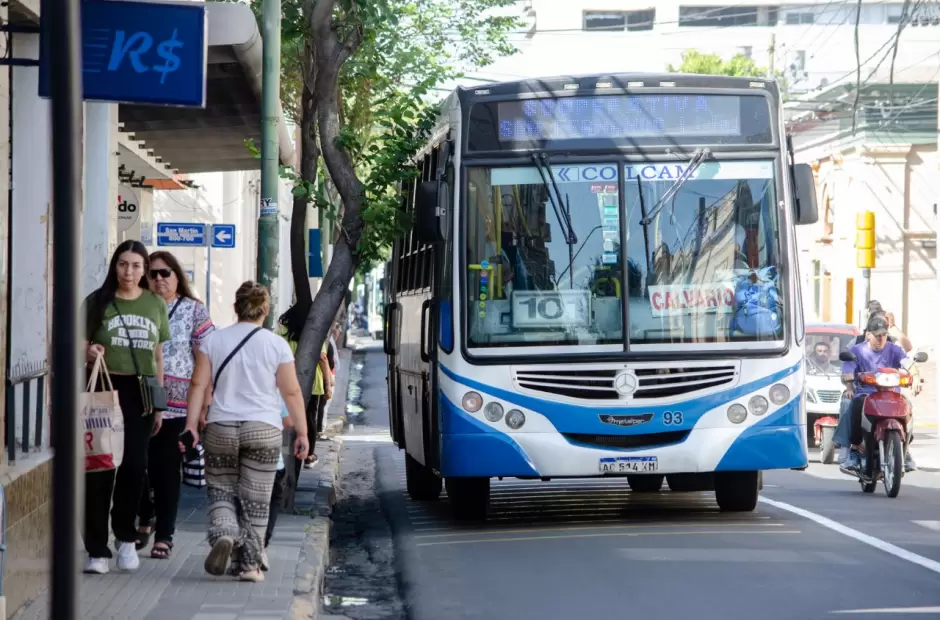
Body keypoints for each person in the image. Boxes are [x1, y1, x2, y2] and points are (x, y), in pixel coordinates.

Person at [182, 282, 309, 582]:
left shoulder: (213, 341)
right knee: (257, 499)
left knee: (222, 491)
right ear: (265, 310)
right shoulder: (276, 345)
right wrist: (302, 433)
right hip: (263, 429)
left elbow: (198, 385)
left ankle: (224, 535)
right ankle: (250, 566)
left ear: (235, 308)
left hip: (221, 427)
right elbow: (290, 391)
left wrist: (190, 425)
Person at [82, 240, 171, 574]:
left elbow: (158, 355)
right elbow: (75, 341)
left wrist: (158, 405)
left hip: (141, 392)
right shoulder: (97, 301)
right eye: (122, 264)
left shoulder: (154, 304)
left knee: (134, 466)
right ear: (114, 266)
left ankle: (125, 537)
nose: (128, 272)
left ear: (144, 269)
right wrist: (88, 351)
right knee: (100, 468)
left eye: (135, 265)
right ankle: (96, 549)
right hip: (104, 388)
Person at [136, 251, 215, 559]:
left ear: (177, 276)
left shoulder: (193, 310)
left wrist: (204, 406)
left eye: (164, 273)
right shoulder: (139, 306)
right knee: (136, 466)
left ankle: (164, 536)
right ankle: (146, 515)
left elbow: (205, 359)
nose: (158, 279)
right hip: (139, 399)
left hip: (179, 406)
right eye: (153, 274)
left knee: (167, 471)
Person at [839, 315, 917, 474]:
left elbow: (908, 364)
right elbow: (848, 370)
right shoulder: (857, 350)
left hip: (892, 394)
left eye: (883, 335)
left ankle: (906, 450)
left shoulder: (894, 349)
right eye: (877, 335)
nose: (881, 338)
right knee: (855, 404)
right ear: (868, 334)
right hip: (866, 394)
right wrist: (849, 387)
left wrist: (915, 378)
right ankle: (854, 451)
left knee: (908, 407)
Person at [276, 304, 333, 471]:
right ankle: (309, 455)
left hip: (288, 380)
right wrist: (328, 385)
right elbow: (322, 358)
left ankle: (289, 450)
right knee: (309, 418)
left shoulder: (282, 332)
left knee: (289, 416)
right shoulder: (313, 331)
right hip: (313, 383)